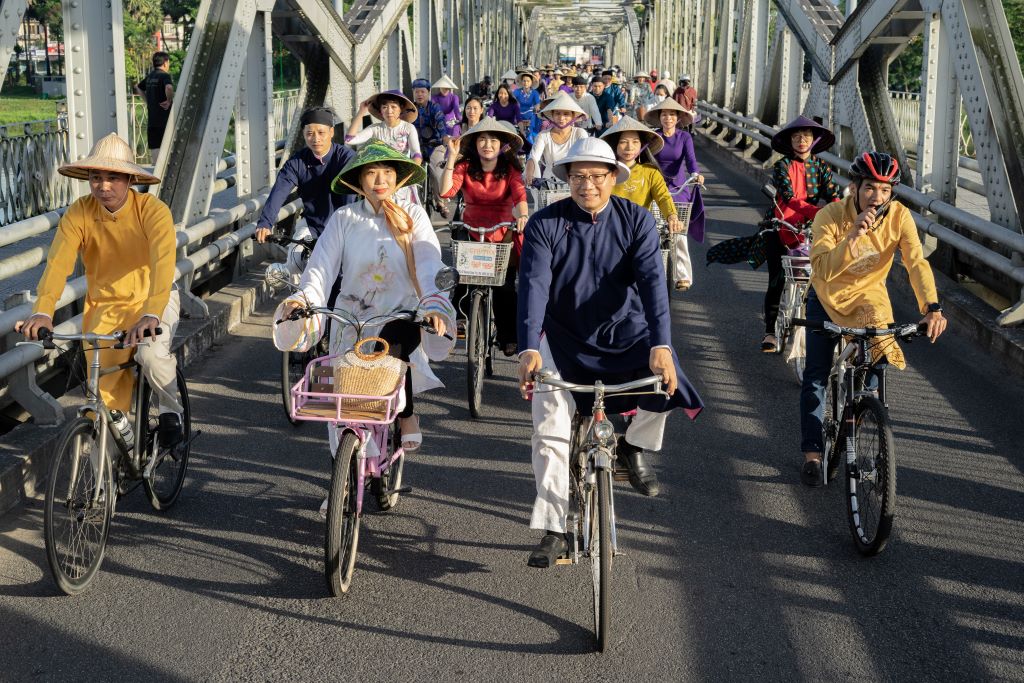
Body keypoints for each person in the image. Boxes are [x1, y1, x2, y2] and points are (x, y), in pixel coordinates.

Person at [517, 137, 704, 566]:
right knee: (548, 428)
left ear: (613, 177)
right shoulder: (545, 224)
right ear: (566, 179)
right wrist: (529, 347)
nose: (587, 185)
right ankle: (553, 528)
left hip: (626, 330)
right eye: (578, 177)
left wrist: (661, 343)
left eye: (597, 176)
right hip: (563, 337)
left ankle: (632, 446)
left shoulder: (636, 220)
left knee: (667, 379)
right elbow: (534, 287)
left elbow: (654, 284)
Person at [280, 142, 455, 456]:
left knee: (390, 357)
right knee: (340, 402)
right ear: (358, 181)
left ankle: (406, 414)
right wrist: (303, 299)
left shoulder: (412, 215)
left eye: (387, 172)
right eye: (371, 174)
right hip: (351, 317)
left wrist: (432, 304)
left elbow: (429, 260)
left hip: (402, 313)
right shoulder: (345, 218)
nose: (380, 180)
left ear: (397, 178)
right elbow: (321, 266)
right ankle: (343, 485)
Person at [19, 133, 183, 447]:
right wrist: (42, 311)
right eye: (96, 177)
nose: (103, 186)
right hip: (106, 308)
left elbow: (163, 263)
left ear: (130, 179)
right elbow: (57, 265)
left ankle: (170, 410)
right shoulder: (79, 212)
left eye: (112, 177)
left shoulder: (152, 210)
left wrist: (151, 313)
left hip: (154, 300)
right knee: (101, 401)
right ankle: (102, 485)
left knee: (150, 354)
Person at [799, 151, 946, 486]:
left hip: (869, 297)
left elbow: (915, 262)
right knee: (817, 375)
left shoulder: (899, 217)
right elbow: (821, 268)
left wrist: (932, 307)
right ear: (854, 186)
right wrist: (851, 237)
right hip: (827, 295)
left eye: (884, 189)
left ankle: (867, 417)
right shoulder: (831, 215)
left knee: (877, 361)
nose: (876, 197)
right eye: (869, 188)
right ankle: (812, 452)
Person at [439, 118, 528, 355]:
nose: (487, 144)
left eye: (493, 140)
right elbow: (445, 191)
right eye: (481, 139)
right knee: (464, 278)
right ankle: (460, 318)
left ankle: (508, 336)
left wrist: (522, 216)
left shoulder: (511, 170)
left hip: (502, 232)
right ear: (475, 143)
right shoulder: (465, 166)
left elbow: (520, 196)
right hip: (472, 229)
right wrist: (451, 157)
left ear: (502, 145)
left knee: (505, 287)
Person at [761, 115, 842, 353]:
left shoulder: (822, 167)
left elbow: (834, 195)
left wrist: (838, 213)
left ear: (814, 140)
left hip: (812, 227)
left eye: (806, 136)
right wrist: (819, 212)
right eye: (796, 136)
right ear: (790, 141)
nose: (801, 140)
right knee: (776, 279)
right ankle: (770, 332)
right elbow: (788, 197)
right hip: (780, 224)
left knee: (819, 277)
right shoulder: (782, 166)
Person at [255, 107, 357, 273]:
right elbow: (279, 190)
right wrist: (265, 222)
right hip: (312, 223)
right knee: (294, 262)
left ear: (331, 132)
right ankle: (297, 297)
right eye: (309, 133)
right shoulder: (297, 162)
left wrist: (343, 229)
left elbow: (349, 195)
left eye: (321, 132)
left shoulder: (346, 157)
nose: (315, 138)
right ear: (303, 134)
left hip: (346, 225)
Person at [645, 98, 705, 291]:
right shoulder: (653, 137)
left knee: (678, 231)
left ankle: (683, 275)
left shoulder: (684, 138)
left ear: (678, 117)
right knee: (648, 228)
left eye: (672, 114)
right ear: (659, 117)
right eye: (664, 114)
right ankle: (648, 271)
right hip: (655, 186)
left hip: (678, 187)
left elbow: (691, 160)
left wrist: (695, 175)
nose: (668, 118)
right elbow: (643, 158)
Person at [599, 116, 683, 238]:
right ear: (614, 145)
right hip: (609, 230)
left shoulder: (650, 172)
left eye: (635, 142)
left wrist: (672, 216)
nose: (629, 147)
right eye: (623, 142)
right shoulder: (604, 172)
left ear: (641, 145)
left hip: (640, 231)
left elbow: (663, 197)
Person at [524, 92, 589, 189]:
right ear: (552, 116)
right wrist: (529, 170)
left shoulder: (580, 133)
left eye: (566, 114)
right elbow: (534, 157)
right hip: (550, 185)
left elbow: (585, 158)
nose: (561, 118)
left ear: (573, 116)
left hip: (575, 183)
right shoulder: (543, 135)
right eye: (557, 113)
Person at [411, 78, 454, 212]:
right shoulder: (409, 109)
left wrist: (445, 138)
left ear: (428, 93)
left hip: (434, 145)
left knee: (437, 172)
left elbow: (440, 123)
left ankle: (440, 202)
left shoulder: (434, 107)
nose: (419, 94)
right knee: (408, 172)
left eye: (422, 92)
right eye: (416, 92)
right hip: (415, 147)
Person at [134, 51, 174, 163]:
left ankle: (156, 172)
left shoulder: (150, 76)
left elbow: (138, 87)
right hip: (164, 119)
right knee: (167, 147)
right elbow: (169, 88)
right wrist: (169, 100)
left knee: (155, 147)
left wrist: (147, 101)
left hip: (152, 119)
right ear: (165, 63)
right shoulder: (164, 75)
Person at [513, 72, 543, 147]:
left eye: (528, 81)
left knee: (530, 134)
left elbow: (537, 104)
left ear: (531, 83)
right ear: (521, 82)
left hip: (530, 115)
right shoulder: (517, 91)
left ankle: (530, 148)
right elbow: (512, 100)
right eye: (524, 81)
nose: (525, 83)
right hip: (519, 114)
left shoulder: (535, 93)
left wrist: (537, 107)